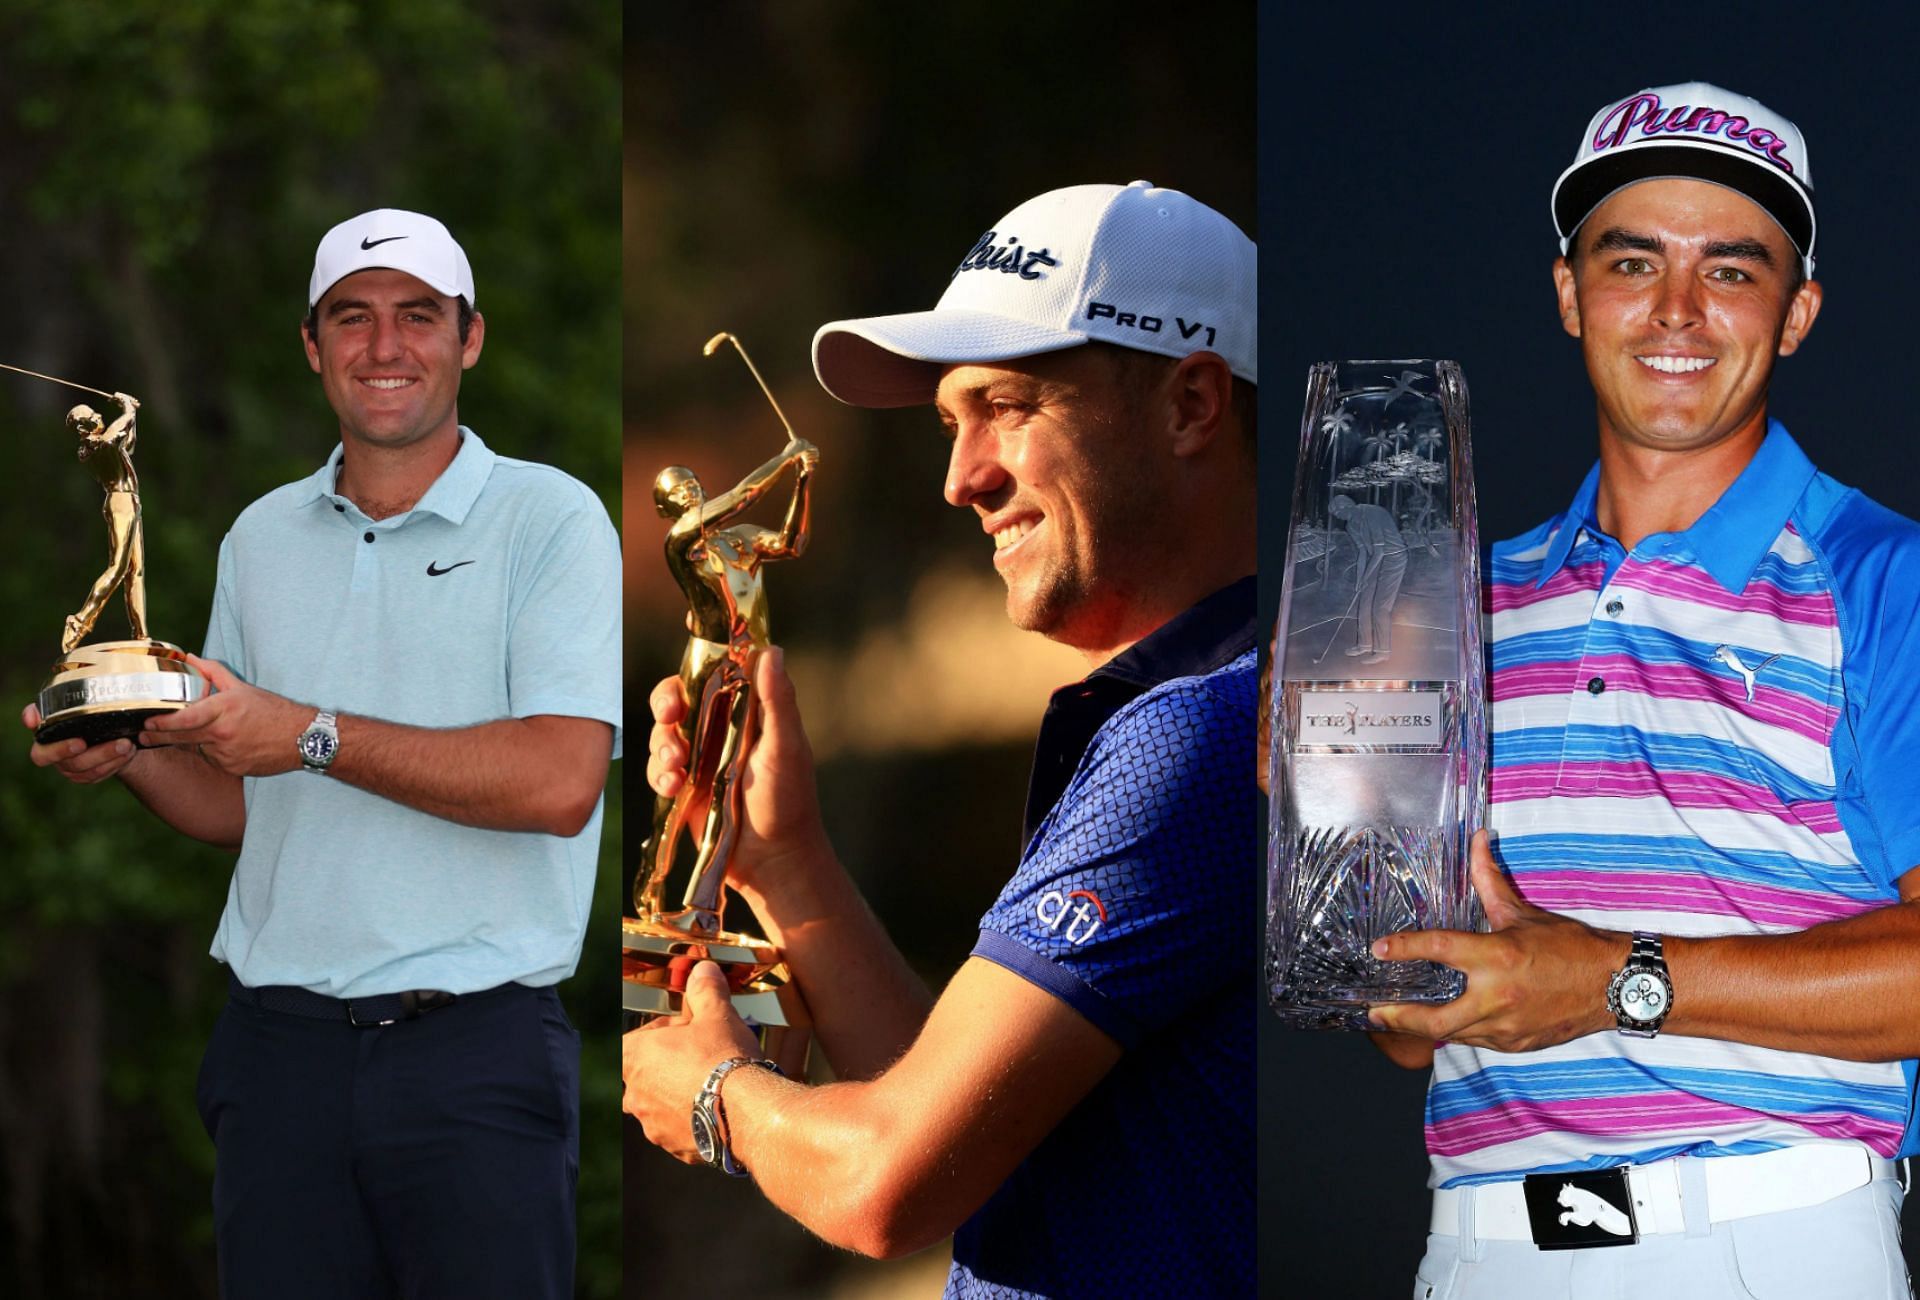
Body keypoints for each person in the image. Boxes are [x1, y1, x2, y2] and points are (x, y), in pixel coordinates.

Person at [622, 180, 1258, 1297]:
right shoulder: (1226, 697)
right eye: (951, 422)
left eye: (1009, 404)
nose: (961, 479)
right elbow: (974, 1148)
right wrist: (788, 859)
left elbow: (889, 1182)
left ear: (1191, 405)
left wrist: (715, 1092)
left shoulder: (1200, 735)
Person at [1366, 84, 1918, 1298]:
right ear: (1569, 294)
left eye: (1731, 270)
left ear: (1799, 310)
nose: (1675, 311)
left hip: (1767, 1244)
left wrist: (1616, 976)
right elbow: (1407, 1023)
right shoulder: (1447, 604)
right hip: (1475, 1250)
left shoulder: (1889, 579)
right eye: (1632, 262)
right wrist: (1337, 816)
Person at [21, 208, 621, 1300]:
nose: (384, 347)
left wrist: (308, 733)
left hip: (473, 1057)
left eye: (417, 317)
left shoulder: (554, 520)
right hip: (278, 1054)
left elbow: (560, 782)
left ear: (469, 338)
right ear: (312, 344)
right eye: (353, 318)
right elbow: (252, 812)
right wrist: (136, 754)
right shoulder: (261, 536)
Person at [638, 436, 816, 933]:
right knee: (688, 777)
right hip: (707, 660)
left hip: (749, 661)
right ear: (667, 507)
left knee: (730, 781)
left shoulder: (736, 541)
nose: (690, 492)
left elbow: (789, 543)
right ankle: (653, 879)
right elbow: (742, 494)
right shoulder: (681, 542)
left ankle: (703, 904)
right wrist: (784, 459)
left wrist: (804, 480)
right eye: (678, 490)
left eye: (691, 484)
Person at [63, 392, 146, 651]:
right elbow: (115, 435)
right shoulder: (92, 447)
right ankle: (80, 621)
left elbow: (128, 441)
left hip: (131, 502)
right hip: (120, 503)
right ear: (81, 426)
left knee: (136, 572)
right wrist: (127, 409)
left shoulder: (105, 442)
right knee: (118, 568)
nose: (98, 415)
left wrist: (132, 413)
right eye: (91, 416)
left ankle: (141, 635)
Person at [1329, 492, 1407, 662]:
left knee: (1380, 606)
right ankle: (1364, 645)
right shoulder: (1350, 525)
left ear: (1346, 506)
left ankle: (1383, 651)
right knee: (1364, 600)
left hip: (1394, 557)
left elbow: (1379, 550)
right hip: (1376, 558)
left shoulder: (1372, 513)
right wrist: (1359, 579)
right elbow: (1363, 552)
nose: (1339, 517)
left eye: (1338, 513)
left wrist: (1366, 576)